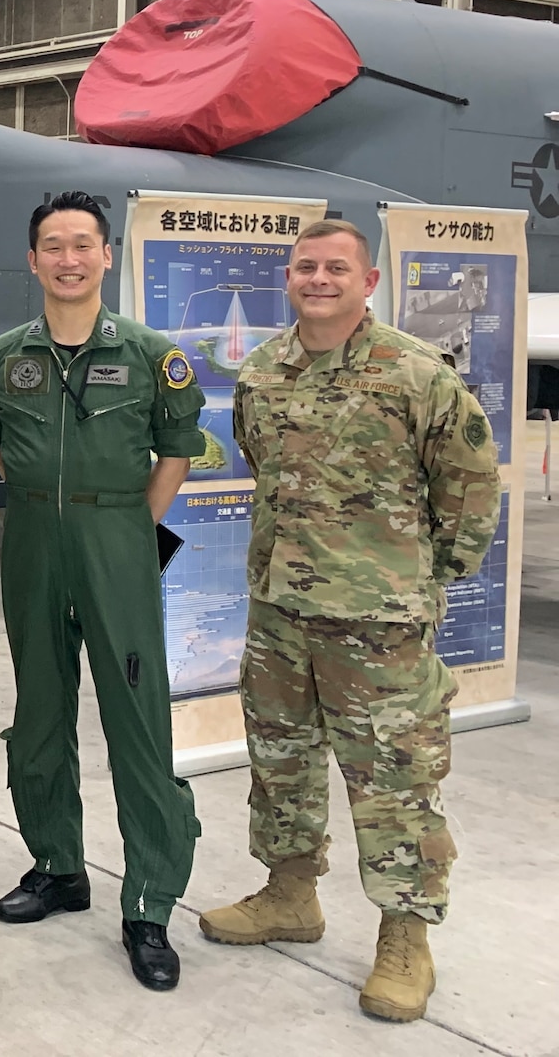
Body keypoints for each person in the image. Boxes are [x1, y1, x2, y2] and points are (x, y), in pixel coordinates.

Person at [199, 218, 499, 1023]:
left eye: (337, 268)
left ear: (367, 282)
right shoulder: (264, 371)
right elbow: (264, 467)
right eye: (306, 268)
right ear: (289, 280)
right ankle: (290, 893)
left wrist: (422, 577)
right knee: (282, 763)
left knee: (396, 781)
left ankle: (406, 936)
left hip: (380, 623)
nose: (319, 279)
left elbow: (471, 484)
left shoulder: (415, 372)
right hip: (280, 612)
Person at [0, 190, 204, 992]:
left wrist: (131, 526)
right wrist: (48, 502)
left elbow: (177, 446)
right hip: (33, 539)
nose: (68, 259)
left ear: (108, 256)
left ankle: (148, 904)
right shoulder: (3, 357)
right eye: (52, 246)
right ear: (32, 260)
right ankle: (57, 866)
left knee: (136, 720)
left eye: (82, 244)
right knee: (39, 709)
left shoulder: (149, 354)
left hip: (119, 541)